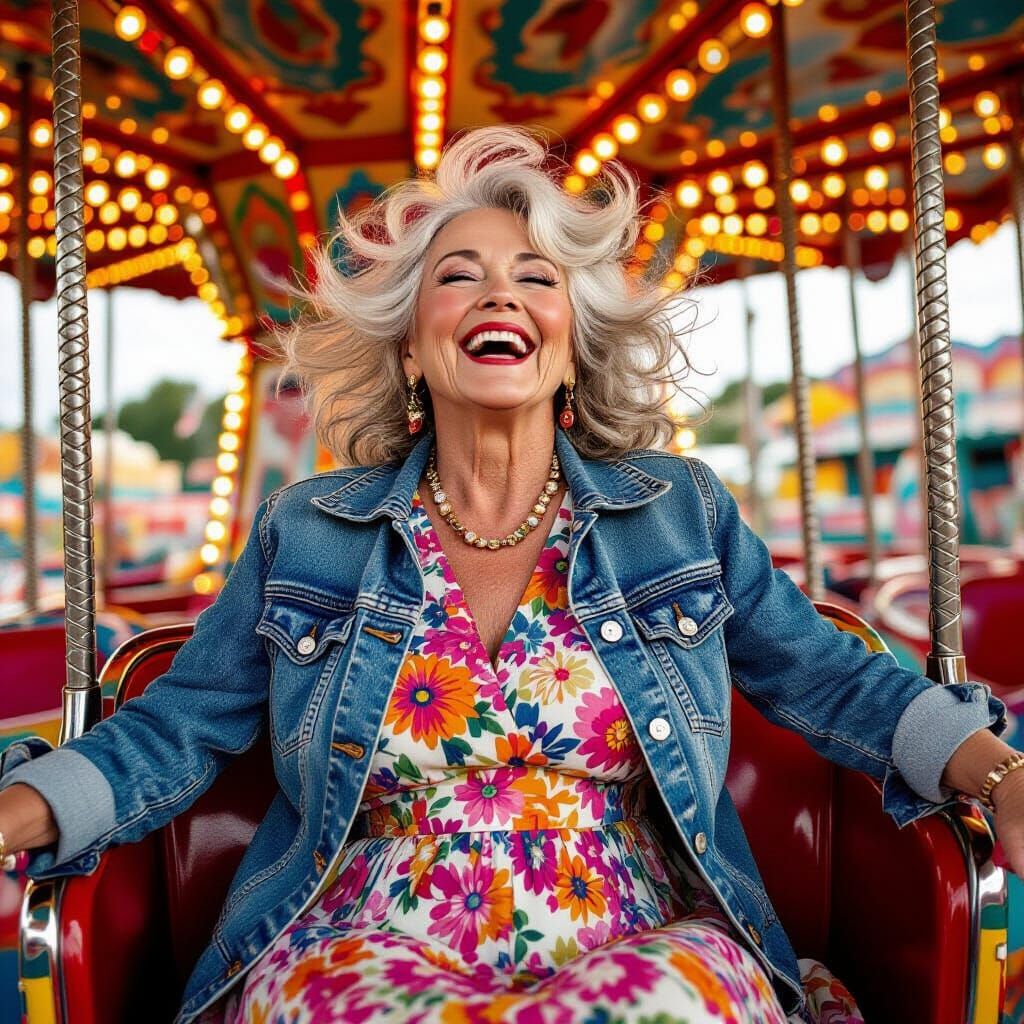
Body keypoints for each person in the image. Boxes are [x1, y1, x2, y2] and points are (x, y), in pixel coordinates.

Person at [0, 125, 1020, 1024]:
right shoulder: (305, 530)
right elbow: (176, 726)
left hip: (633, 924)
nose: (501, 292)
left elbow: (833, 676)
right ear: (410, 349)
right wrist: (25, 804)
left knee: (661, 1008)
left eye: (537, 277)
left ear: (570, 347)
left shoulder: (677, 512)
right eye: (460, 275)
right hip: (365, 928)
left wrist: (1002, 774)